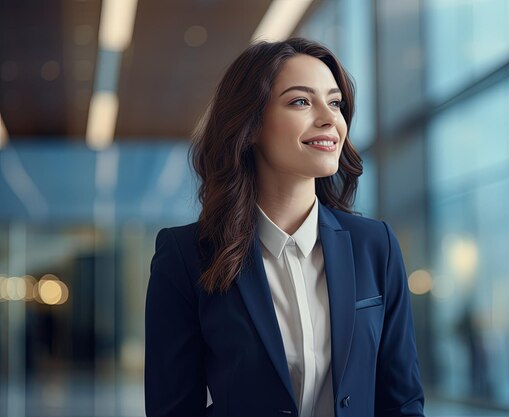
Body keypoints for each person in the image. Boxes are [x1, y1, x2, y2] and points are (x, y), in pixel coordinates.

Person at [144, 37, 425, 417]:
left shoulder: (376, 246)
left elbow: (403, 402)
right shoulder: (186, 256)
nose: (329, 119)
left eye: (335, 102)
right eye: (301, 101)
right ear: (251, 123)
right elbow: (173, 410)